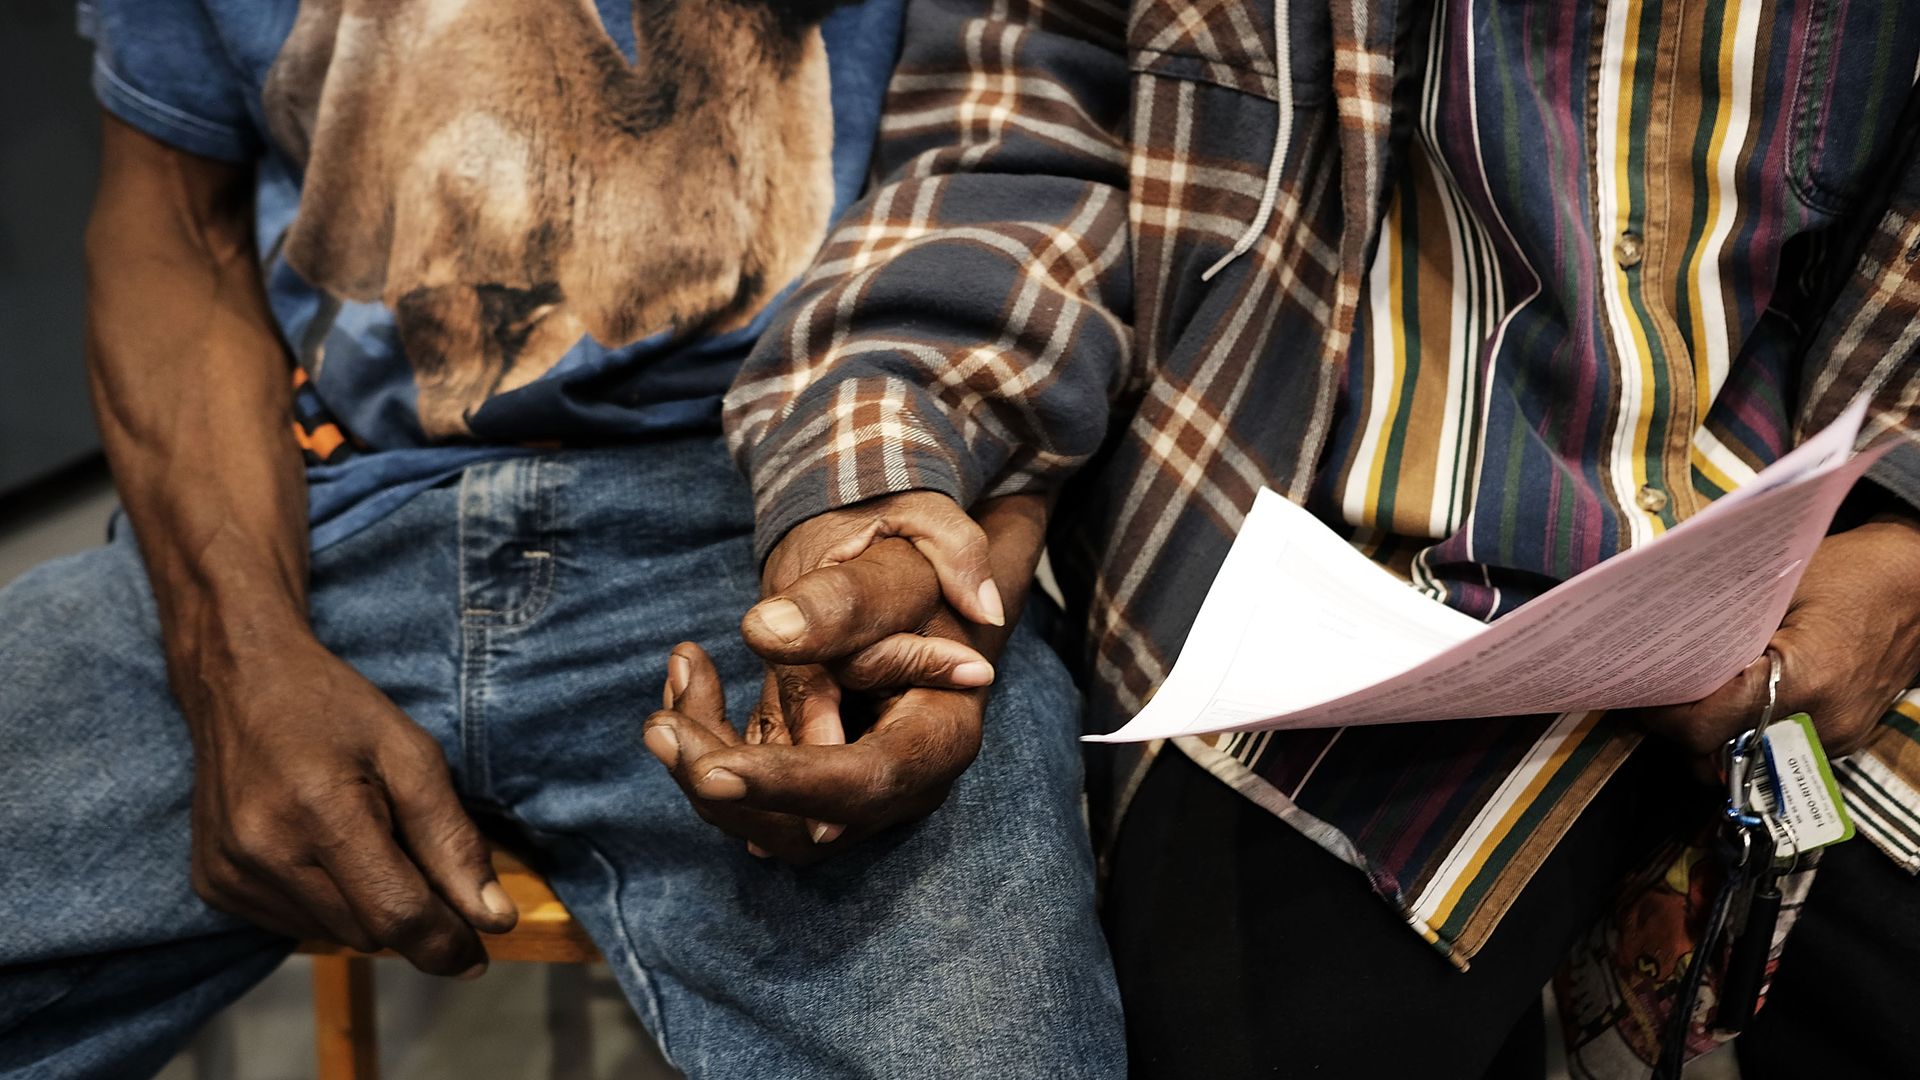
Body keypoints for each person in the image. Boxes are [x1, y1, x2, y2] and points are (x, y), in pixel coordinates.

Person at [698, 0, 1920, 1075]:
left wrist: (1909, 536)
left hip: (1838, 526)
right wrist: (899, 463)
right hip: (1310, 584)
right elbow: (1032, 113)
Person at [0, 1, 1125, 1077]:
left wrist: (888, 506)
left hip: (765, 510)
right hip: (305, 521)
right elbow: (174, 226)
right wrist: (232, 659)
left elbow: (1014, 152)